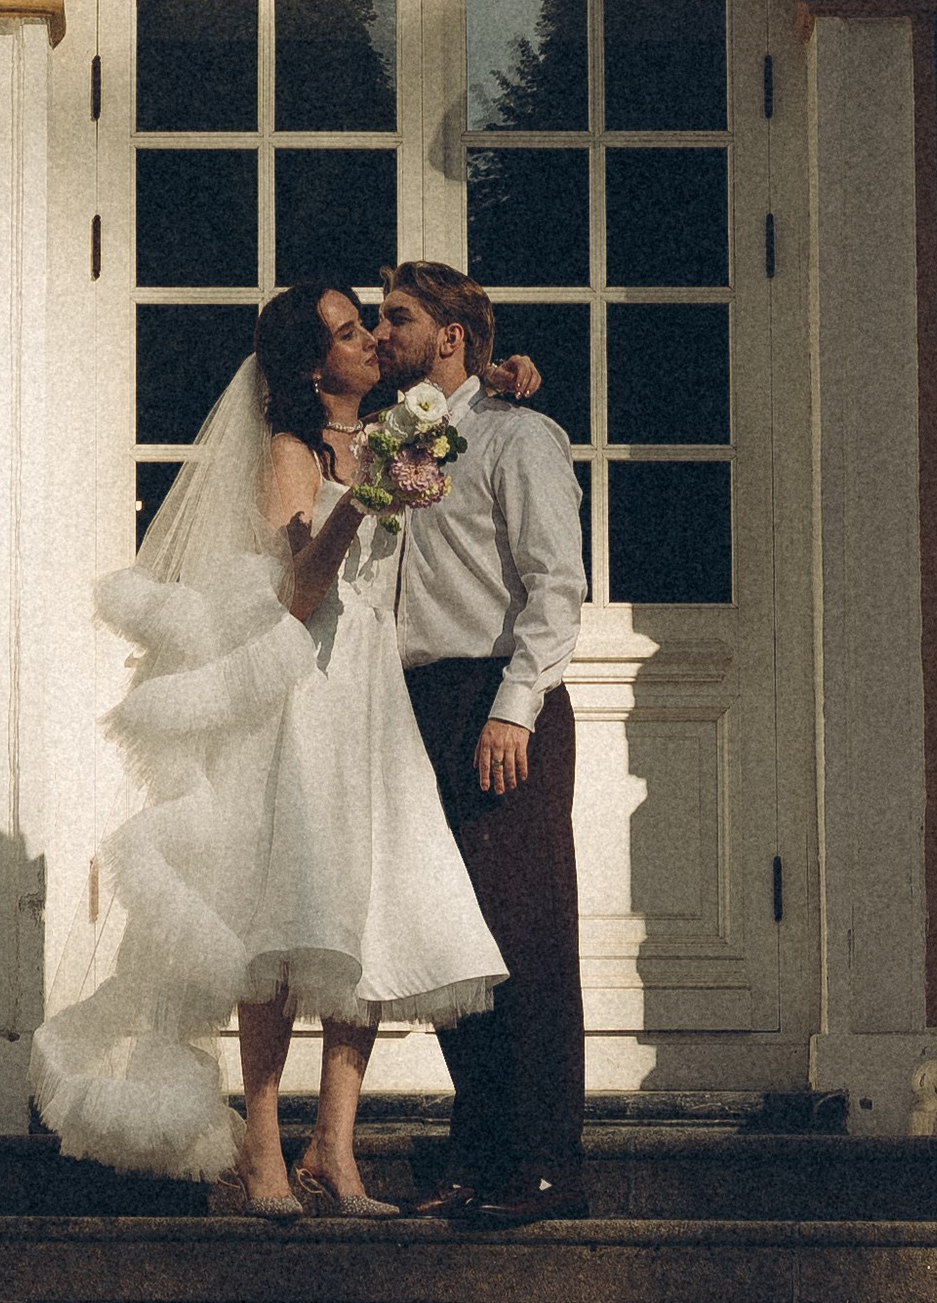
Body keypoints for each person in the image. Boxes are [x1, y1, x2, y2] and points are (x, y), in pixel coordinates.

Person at [31, 283, 529, 1217]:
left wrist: (501, 378)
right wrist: (362, 500)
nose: (370, 343)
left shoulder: (394, 426)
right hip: (305, 696)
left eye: (367, 325)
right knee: (283, 922)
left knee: (365, 917)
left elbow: (451, 404)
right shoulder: (289, 453)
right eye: (347, 334)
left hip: (375, 694)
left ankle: (333, 1152)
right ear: (312, 365)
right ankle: (263, 1146)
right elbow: (295, 593)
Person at [374, 259, 588, 1227]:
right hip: (417, 705)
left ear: (450, 336)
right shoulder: (405, 441)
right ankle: (479, 1156)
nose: (381, 335)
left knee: (525, 940)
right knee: (455, 949)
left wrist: (515, 705)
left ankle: (542, 1167)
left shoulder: (520, 437)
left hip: (498, 704)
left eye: (398, 319)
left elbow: (555, 586)